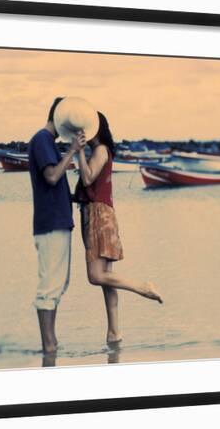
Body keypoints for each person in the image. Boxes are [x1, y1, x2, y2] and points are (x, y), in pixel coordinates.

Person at [74, 112, 163, 345]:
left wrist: (79, 151)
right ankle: (114, 332)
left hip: (97, 215)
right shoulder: (103, 151)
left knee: (96, 277)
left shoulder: (100, 150)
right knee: (106, 279)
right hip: (104, 214)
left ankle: (142, 287)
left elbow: (87, 178)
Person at [27, 97, 85, 354]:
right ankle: (48, 344)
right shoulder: (42, 139)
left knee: (58, 285)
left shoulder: (47, 142)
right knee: (50, 287)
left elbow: (53, 181)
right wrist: (72, 151)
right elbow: (51, 176)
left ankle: (51, 344)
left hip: (57, 222)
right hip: (51, 224)